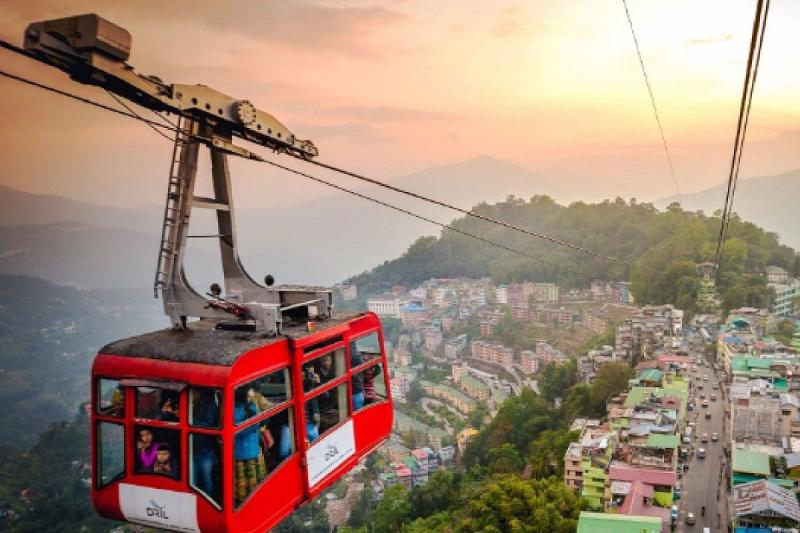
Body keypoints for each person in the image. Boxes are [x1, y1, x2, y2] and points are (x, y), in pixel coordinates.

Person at [234, 388, 266, 505]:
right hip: (246, 451)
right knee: (252, 484)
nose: (252, 393)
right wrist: (256, 425)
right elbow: (237, 431)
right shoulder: (236, 409)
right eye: (249, 391)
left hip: (249, 449)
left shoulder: (251, 405)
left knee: (246, 485)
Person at [192, 390, 220, 497]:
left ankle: (208, 500)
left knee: (206, 480)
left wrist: (188, 419)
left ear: (199, 392)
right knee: (192, 481)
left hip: (205, 450)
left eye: (193, 392)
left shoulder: (210, 405)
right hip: (190, 449)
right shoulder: (185, 402)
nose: (192, 394)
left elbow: (209, 425)